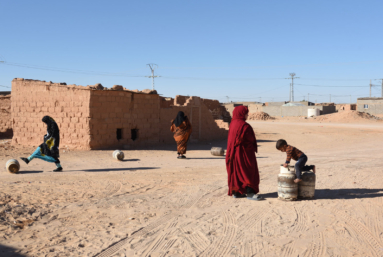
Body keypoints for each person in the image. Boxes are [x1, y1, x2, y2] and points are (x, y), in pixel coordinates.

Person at [226, 106, 263, 200]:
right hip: (244, 154)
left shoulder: (232, 124)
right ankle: (250, 193)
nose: (247, 115)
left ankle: (237, 192)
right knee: (248, 171)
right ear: (242, 113)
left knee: (237, 172)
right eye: (246, 113)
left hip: (232, 154)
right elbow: (250, 139)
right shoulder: (244, 126)